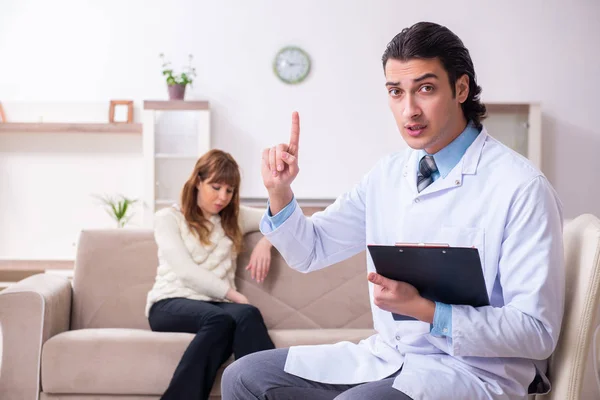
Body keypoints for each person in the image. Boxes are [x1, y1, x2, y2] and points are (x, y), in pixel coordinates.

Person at [221, 21, 565, 400]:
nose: (409, 110)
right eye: (395, 92)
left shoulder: (520, 187)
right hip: (392, 358)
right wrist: (279, 191)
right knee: (244, 376)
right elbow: (310, 251)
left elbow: (538, 333)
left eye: (426, 89)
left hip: (476, 371)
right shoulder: (386, 175)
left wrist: (428, 310)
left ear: (461, 88)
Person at [145, 149, 276, 400]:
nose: (223, 197)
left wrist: (266, 242)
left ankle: (267, 395)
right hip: (169, 302)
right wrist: (234, 295)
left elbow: (285, 219)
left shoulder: (234, 218)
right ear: (197, 181)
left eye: (230, 191)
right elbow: (185, 271)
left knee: (248, 315)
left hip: (215, 306)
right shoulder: (168, 218)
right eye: (216, 187)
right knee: (222, 320)